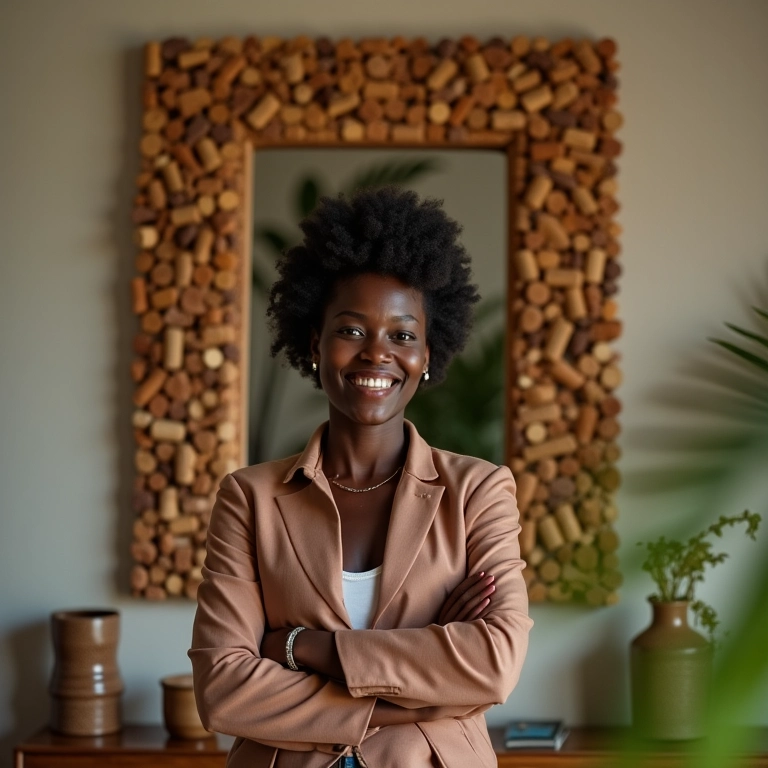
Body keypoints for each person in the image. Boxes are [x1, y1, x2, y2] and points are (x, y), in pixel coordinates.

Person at [189, 186, 533, 768]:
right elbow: (222, 691)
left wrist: (305, 648)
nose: (378, 354)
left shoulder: (478, 492)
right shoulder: (249, 498)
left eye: (403, 335)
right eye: (352, 330)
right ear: (314, 343)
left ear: (428, 355)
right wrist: (425, 684)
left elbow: (495, 662)